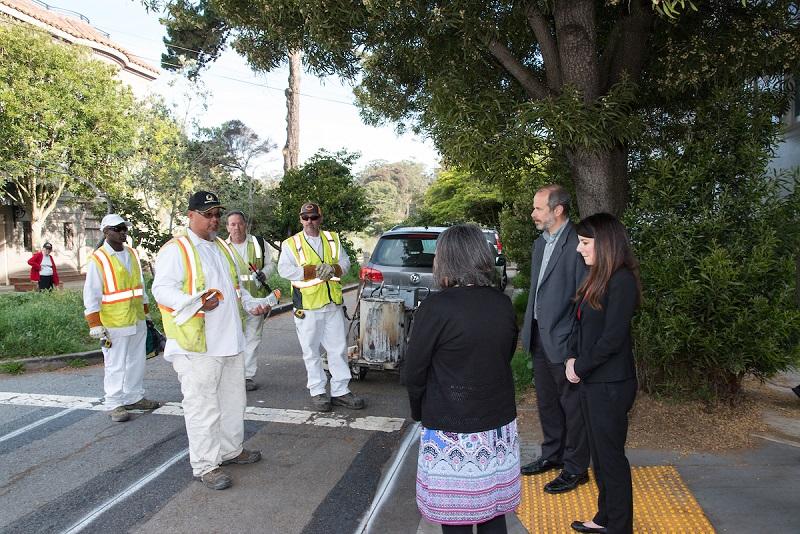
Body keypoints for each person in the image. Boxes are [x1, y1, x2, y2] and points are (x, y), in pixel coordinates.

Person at [404, 224, 520, 534]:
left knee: (456, 517)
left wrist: (420, 411)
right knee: (494, 514)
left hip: (450, 430)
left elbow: (414, 371)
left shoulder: (435, 308)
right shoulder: (502, 304)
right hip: (496, 428)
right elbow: (504, 355)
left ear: (446, 259)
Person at [152, 191, 271, 490]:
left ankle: (231, 450)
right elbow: (162, 290)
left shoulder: (221, 246)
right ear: (190, 216)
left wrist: (250, 304)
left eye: (217, 214)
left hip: (229, 341)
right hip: (197, 346)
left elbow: (233, 288)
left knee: (233, 402)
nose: (214, 220)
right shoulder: (176, 249)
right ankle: (206, 465)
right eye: (208, 215)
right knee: (202, 406)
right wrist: (195, 303)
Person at [566, 213, 641, 534]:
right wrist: (572, 356)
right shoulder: (598, 276)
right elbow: (581, 325)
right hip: (594, 381)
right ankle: (604, 518)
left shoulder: (621, 280)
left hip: (610, 385)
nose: (579, 249)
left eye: (585, 243)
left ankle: (620, 527)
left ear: (605, 243)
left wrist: (579, 367)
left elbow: (612, 338)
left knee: (611, 460)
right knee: (600, 456)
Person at [519, 184, 590, 494]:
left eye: (538, 208)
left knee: (573, 407)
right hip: (538, 336)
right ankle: (552, 455)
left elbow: (584, 300)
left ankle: (575, 468)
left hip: (564, 342)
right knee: (547, 403)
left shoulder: (578, 243)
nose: (533, 213)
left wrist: (575, 346)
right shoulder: (540, 244)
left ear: (557, 210)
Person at [277, 202, 364, 412]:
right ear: (300, 219)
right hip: (307, 305)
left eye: (313, 217)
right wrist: (313, 271)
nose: (309, 222)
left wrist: (333, 268)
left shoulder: (332, 239)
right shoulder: (291, 243)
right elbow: (284, 270)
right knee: (311, 351)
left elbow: (345, 263)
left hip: (332, 303)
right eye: (305, 218)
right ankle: (318, 391)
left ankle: (340, 391)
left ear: (320, 218)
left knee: (338, 349)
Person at [83, 214, 161, 423]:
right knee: (115, 363)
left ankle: (133, 397)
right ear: (106, 232)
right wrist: (94, 323)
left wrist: (146, 314)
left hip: (135, 317)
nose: (123, 232)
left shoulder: (132, 254)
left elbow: (140, 286)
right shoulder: (99, 259)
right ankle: (114, 402)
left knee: (136, 360)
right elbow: (91, 293)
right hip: (114, 322)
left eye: (125, 228)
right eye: (118, 229)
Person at [225, 210, 274, 391]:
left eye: (239, 223)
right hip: (233, 302)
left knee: (253, 338)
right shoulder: (222, 246)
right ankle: (232, 375)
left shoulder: (258, 243)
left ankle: (247, 376)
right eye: (232, 224)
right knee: (233, 338)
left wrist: (265, 273)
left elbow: (271, 264)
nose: (236, 227)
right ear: (227, 227)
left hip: (257, 299)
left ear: (245, 224)